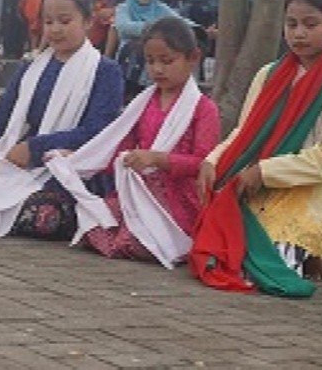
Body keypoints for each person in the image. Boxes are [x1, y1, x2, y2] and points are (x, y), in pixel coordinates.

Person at [191, 0, 322, 297]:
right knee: (219, 254)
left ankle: (305, 251)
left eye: (310, 24)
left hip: (308, 192)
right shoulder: (268, 75)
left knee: (262, 269)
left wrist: (265, 171)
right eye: (292, 24)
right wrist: (213, 160)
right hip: (257, 184)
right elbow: (243, 133)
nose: (299, 33)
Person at [0, 0, 124, 239]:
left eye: (65, 21)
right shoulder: (31, 68)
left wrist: (36, 148)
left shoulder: (105, 72)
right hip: (23, 164)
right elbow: (4, 115)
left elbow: (96, 132)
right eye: (49, 21)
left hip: (73, 170)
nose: (55, 29)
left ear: (88, 22)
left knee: (37, 214)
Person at [44, 17, 220, 266]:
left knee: (137, 242)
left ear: (193, 58)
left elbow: (204, 163)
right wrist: (76, 158)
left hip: (177, 200)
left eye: (167, 61)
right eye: (150, 61)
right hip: (138, 192)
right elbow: (118, 148)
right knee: (92, 222)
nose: (157, 69)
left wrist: (159, 159)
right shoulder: (143, 103)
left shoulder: (204, 109)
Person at [111, 0, 178, 93]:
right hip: (129, 54)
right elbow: (124, 27)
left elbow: (180, 23)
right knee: (138, 49)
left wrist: (202, 31)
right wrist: (155, 28)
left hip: (156, 52)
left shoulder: (160, 8)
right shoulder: (124, 8)